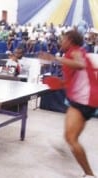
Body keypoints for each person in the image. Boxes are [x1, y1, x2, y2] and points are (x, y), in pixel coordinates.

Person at [38, 30, 97, 178]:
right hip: (86, 99)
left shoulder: (75, 51)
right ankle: (63, 144)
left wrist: (54, 58)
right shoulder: (77, 52)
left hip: (84, 100)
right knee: (70, 135)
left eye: (63, 39)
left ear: (70, 40)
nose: (61, 42)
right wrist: (62, 83)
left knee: (71, 138)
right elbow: (78, 75)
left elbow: (80, 65)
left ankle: (89, 174)